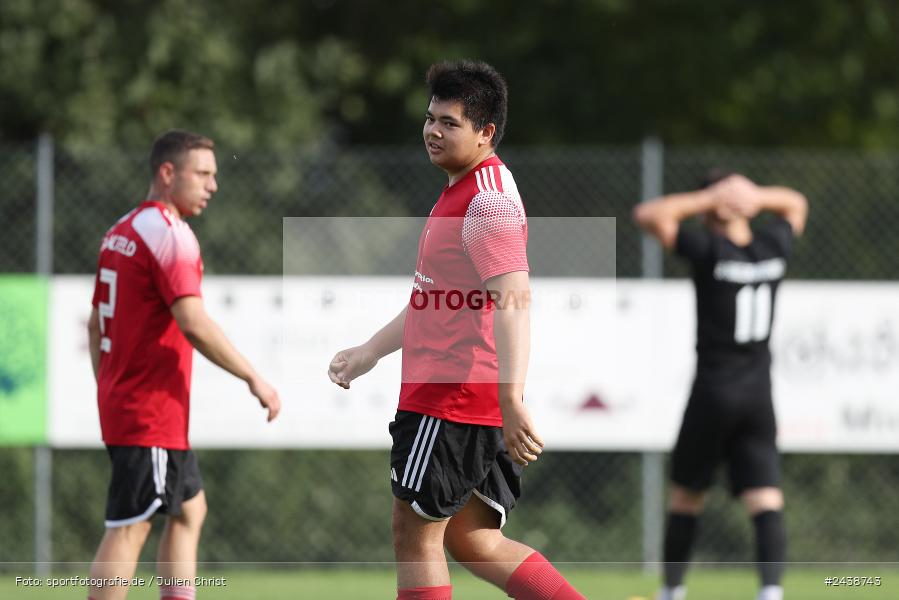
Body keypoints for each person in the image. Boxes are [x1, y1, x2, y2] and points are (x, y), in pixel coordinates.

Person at [327, 61, 585, 600]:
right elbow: (433, 299)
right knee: (473, 542)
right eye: (430, 119)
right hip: (461, 396)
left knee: (412, 530)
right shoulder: (464, 188)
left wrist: (510, 399)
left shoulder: (484, 201)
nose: (432, 131)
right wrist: (371, 351)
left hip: (453, 398)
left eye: (449, 122)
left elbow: (513, 302)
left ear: (485, 132)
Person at [86, 129, 281, 600]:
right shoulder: (170, 234)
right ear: (168, 173)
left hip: (135, 404)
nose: (213, 185)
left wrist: (109, 386)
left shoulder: (122, 230)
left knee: (189, 509)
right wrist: (254, 376)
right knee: (130, 527)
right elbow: (192, 321)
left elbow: (95, 326)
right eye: (203, 174)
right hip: (148, 409)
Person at [633, 172, 808, 600]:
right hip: (757, 395)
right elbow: (796, 203)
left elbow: (648, 214)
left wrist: (708, 199)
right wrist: (757, 195)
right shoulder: (772, 246)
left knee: (687, 497)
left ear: (710, 214)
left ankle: (672, 591)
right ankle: (770, 592)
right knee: (765, 497)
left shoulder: (710, 248)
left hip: (713, 392)